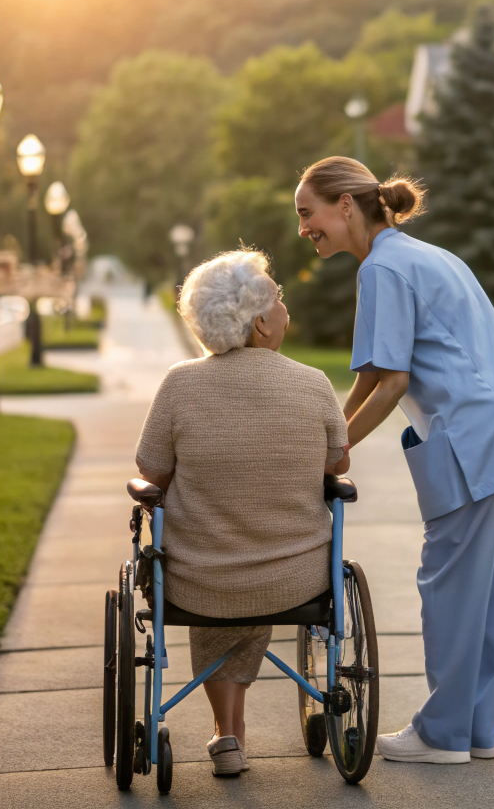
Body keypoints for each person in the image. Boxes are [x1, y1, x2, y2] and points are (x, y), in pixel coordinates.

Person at [295, 156, 494, 765]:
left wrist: (333, 454)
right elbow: (374, 371)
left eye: (306, 212)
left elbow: (393, 383)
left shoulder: (383, 270)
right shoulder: (426, 256)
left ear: (346, 205)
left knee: (449, 587)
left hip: (475, 438)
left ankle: (441, 735)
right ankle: (477, 730)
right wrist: (331, 437)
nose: (302, 228)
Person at [134, 250, 349, 778]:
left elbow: (150, 473)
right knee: (252, 574)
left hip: (200, 578)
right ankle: (230, 733)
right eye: (277, 298)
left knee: (219, 569)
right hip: (295, 577)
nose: (284, 308)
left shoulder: (180, 384)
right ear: (259, 322)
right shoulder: (313, 382)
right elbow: (338, 463)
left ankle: (227, 734)